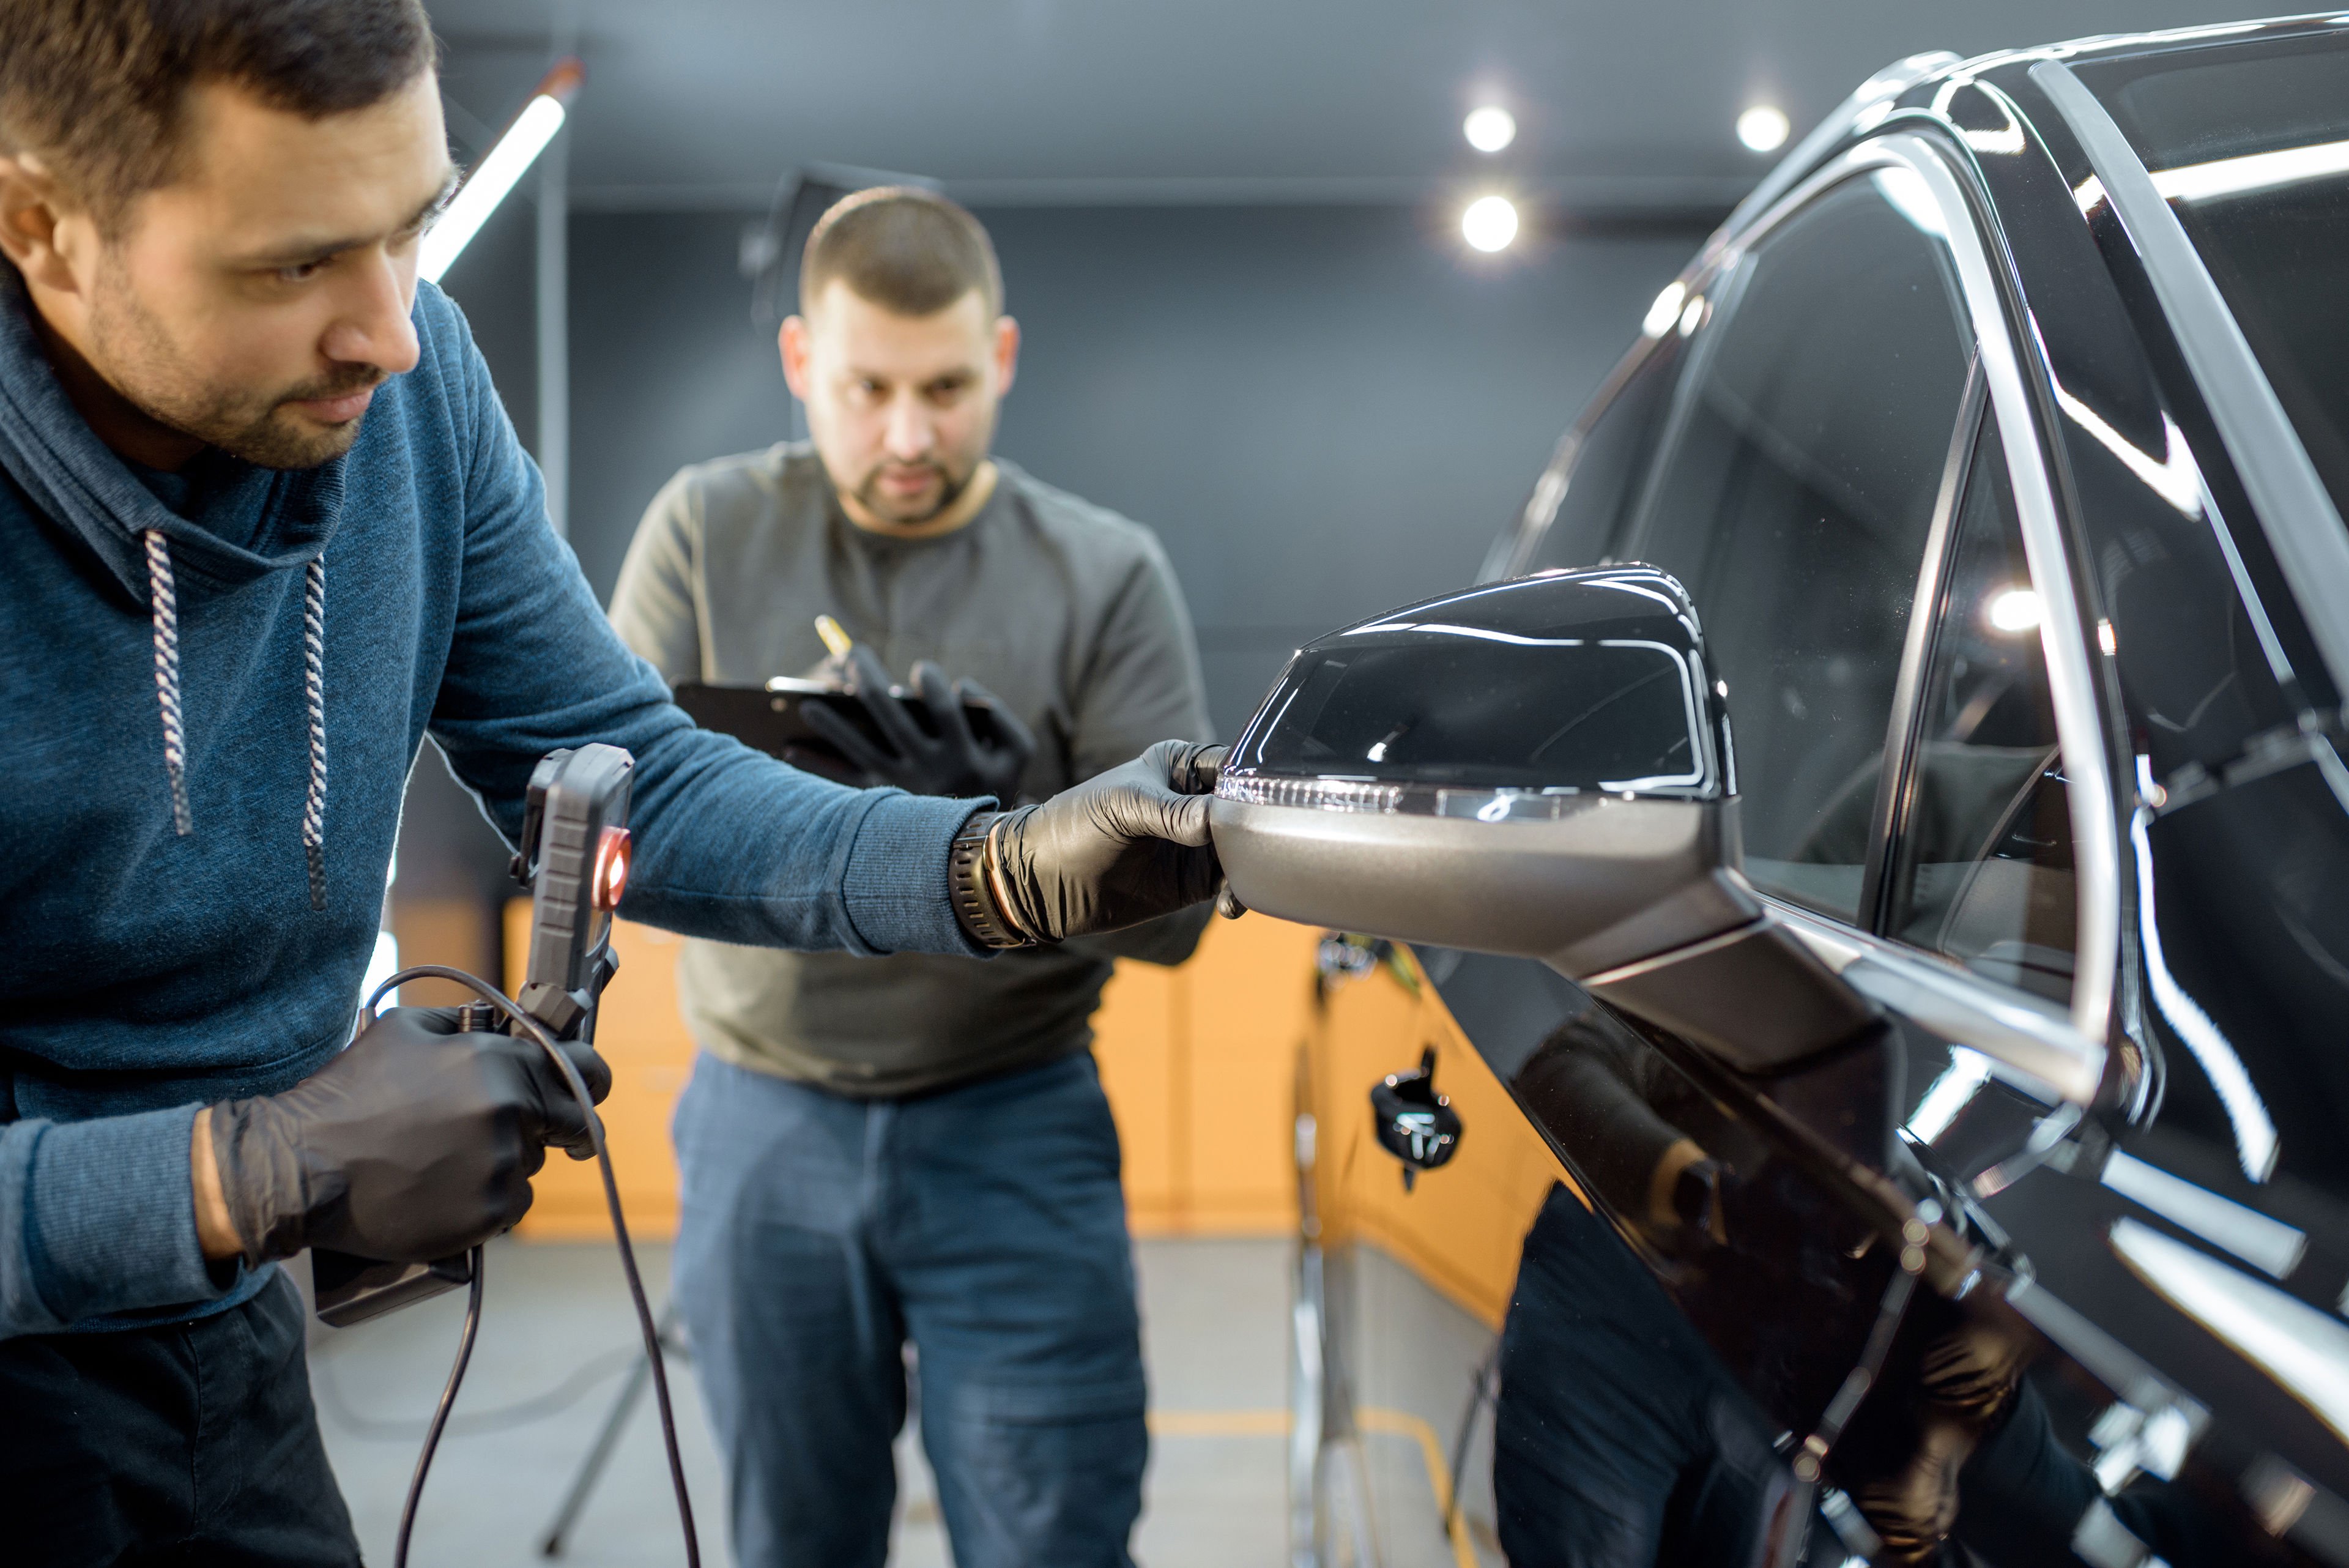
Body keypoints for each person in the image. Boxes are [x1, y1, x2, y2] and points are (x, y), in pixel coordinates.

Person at [0, 6, 1218, 1564]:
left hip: (234, 1337)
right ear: (42, 225)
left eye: (414, 226)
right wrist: (239, 1166)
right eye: (297, 262)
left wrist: (999, 866)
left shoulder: (411, 394)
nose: (389, 325)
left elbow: (636, 774)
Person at [607, 187, 1212, 1568]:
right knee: (793, 1541)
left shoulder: (1106, 574)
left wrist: (1018, 821)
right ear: (798, 361)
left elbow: (1177, 938)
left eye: (945, 388)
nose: (907, 435)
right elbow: (625, 837)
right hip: (763, 1124)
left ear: (999, 358)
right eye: (866, 387)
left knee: (1054, 1534)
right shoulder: (703, 533)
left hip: (1015, 1121)